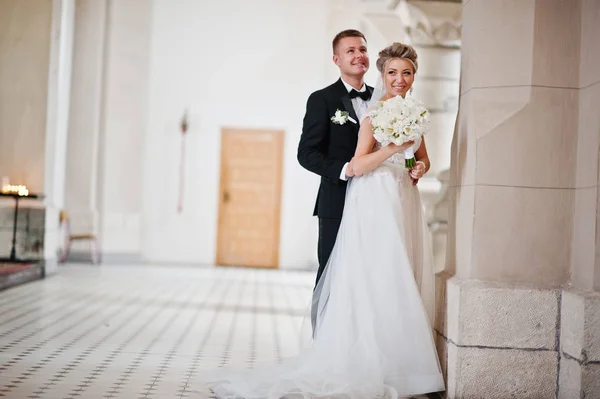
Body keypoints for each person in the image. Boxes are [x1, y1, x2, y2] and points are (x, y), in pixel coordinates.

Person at [194, 41, 445, 399]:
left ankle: (401, 362)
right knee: (362, 274)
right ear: (338, 58)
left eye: (406, 73)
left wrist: (418, 166)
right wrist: (389, 150)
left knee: (400, 272)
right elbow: (343, 160)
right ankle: (345, 353)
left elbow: (420, 157)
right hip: (368, 197)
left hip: (402, 197)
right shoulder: (355, 108)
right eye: (392, 72)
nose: (399, 78)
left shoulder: (411, 110)